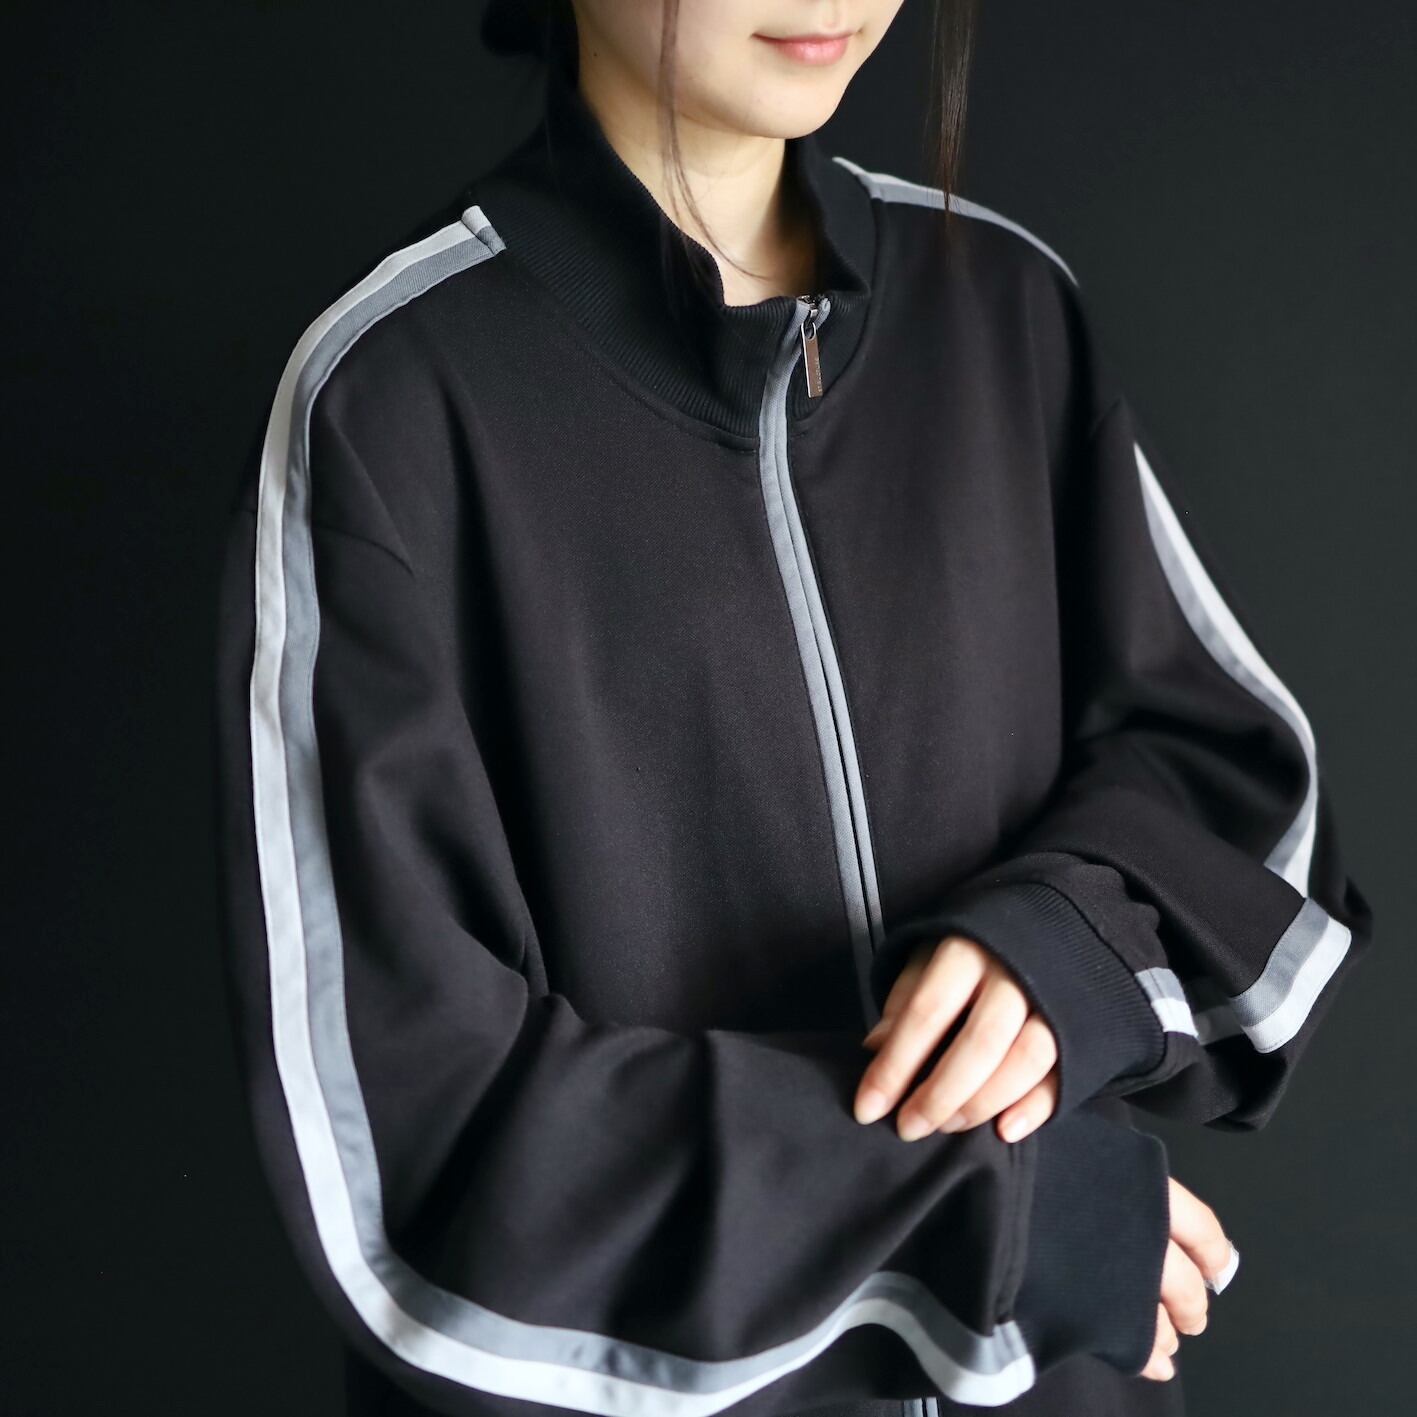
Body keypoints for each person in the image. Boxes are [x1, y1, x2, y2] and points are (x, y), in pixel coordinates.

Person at [211, 3, 1374, 1416]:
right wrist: (987, 1211)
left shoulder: (1003, 306)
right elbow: (415, 1151)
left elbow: (1239, 794)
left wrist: (1067, 944)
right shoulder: (388, 398)